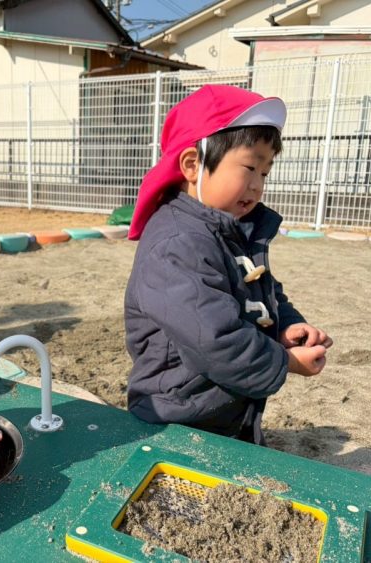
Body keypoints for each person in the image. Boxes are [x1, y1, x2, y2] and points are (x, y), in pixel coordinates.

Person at [124, 85, 332, 445]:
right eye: (250, 167)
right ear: (193, 165)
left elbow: (261, 287)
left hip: (218, 404)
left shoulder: (226, 228)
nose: (257, 185)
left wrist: (287, 324)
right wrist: (287, 363)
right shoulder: (177, 243)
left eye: (265, 173)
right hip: (178, 415)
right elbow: (214, 339)